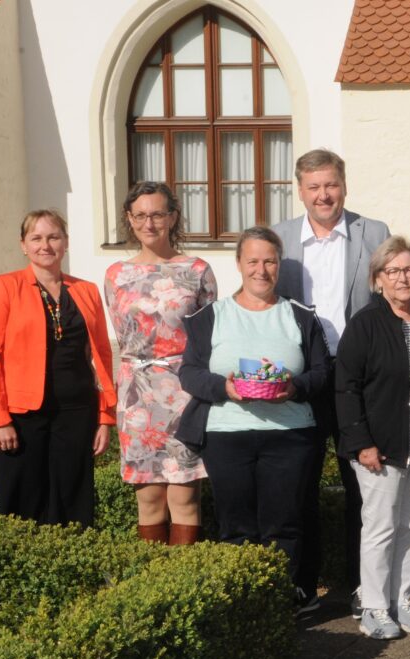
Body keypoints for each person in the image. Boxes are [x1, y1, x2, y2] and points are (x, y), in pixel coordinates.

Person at [176, 227, 329, 611]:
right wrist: (223, 389)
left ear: (279, 265)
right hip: (227, 434)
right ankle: (243, 607)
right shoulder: (210, 317)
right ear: (240, 265)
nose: (262, 269)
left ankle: (284, 599)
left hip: (290, 434)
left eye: (270, 261)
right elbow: (190, 373)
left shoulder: (300, 316)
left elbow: (322, 371)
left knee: (285, 523)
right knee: (236, 526)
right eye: (253, 261)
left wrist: (294, 388)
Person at [272, 148, 391, 614]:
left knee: (363, 485)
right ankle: (302, 585)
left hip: (354, 376)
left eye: (331, 185)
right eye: (314, 187)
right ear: (300, 191)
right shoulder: (279, 239)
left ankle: (366, 585)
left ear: (344, 184)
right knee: (298, 484)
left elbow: (386, 299)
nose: (324, 195)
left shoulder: (373, 233)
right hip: (301, 376)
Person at [336, 236, 410, 640]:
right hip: (380, 448)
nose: (403, 278)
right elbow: (346, 388)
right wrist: (361, 442)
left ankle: (402, 602)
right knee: (380, 527)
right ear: (378, 279)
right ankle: (373, 608)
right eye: (394, 271)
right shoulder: (365, 324)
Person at [0, 210, 116, 526]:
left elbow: (102, 357)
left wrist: (105, 416)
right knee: (22, 498)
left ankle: (74, 562)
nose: (45, 245)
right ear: (23, 245)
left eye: (53, 237)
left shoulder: (86, 290)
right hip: (22, 415)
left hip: (77, 411)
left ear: (65, 243)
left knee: (73, 497)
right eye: (36, 238)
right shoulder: (5, 287)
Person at [104, 181, 217, 545]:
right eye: (140, 215)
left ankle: (184, 581)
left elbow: (210, 336)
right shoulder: (115, 275)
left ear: (172, 216)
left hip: (183, 393)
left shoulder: (197, 270)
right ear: (129, 219)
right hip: (136, 397)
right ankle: (153, 580)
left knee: (185, 495)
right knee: (149, 496)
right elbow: (122, 336)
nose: (149, 223)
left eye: (157, 214)